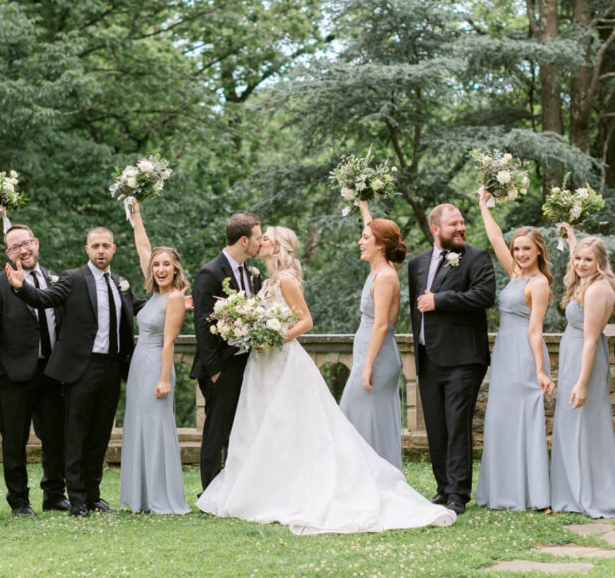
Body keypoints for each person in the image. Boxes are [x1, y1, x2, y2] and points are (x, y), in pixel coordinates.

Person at [197, 226, 456, 533]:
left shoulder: (286, 280)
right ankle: (263, 485)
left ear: (278, 247)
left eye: (266, 238)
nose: (260, 241)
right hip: (261, 364)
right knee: (261, 424)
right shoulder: (265, 281)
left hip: (283, 360)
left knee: (292, 426)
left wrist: (277, 336)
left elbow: (306, 320)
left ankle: (294, 490)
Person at [5, 226, 143, 518]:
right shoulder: (73, 278)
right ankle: (77, 499)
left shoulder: (121, 283)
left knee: (100, 435)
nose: (101, 251)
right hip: (82, 368)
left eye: (106, 245)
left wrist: (171, 301)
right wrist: (21, 287)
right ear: (87, 250)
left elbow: (138, 308)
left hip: (112, 366)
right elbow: (46, 300)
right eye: (96, 246)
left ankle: (94, 496)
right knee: (76, 435)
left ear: (114, 249)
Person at [0, 224, 68, 516]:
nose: (24, 250)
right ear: (8, 253)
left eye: (27, 243)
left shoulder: (56, 279)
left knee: (56, 437)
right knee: (14, 441)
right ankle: (19, 501)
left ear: (37, 242)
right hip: (14, 375)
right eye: (16, 247)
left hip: (52, 373)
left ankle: (55, 495)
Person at [408, 203, 496, 515]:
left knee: (457, 424)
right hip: (428, 358)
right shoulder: (417, 263)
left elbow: (485, 296)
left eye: (462, 223)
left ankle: (459, 493)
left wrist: (440, 300)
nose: (460, 228)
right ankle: (442, 489)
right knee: (435, 427)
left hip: (462, 357)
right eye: (453, 225)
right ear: (435, 229)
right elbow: (414, 309)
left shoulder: (477, 257)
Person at [475, 191, 555, 511]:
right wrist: (484, 203)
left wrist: (539, 371)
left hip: (524, 356)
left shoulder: (538, 283)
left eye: (527, 249)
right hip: (504, 355)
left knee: (525, 421)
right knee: (501, 420)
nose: (520, 253)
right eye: (517, 249)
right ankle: (502, 491)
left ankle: (532, 494)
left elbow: (535, 330)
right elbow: (495, 237)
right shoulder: (514, 273)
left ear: (538, 250)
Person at [549, 229, 615, 519]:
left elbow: (590, 338)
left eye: (588, 259)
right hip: (573, 354)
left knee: (585, 422)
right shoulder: (585, 279)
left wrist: (582, 384)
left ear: (601, 261)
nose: (581, 263)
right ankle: (572, 490)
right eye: (577, 259)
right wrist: (572, 237)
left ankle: (592, 492)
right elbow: (578, 254)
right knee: (572, 422)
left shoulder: (599, 288)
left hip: (584, 360)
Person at [118, 200, 190, 514]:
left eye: (166, 265)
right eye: (157, 265)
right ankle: (142, 496)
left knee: (156, 427)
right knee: (138, 425)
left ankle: (161, 495)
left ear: (176, 269)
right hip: (138, 366)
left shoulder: (174, 298)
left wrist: (164, 379)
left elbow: (169, 343)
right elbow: (143, 247)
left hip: (156, 367)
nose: (160, 269)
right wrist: (136, 215)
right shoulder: (155, 295)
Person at [191, 213, 263, 492]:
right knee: (216, 431)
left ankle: (233, 487)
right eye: (257, 237)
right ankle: (209, 490)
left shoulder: (252, 274)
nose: (260, 242)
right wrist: (215, 370)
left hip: (245, 364)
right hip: (220, 366)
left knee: (239, 430)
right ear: (244, 240)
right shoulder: (210, 273)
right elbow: (202, 323)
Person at [339, 200, 406, 470]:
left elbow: (380, 325)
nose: (360, 241)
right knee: (359, 418)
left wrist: (366, 366)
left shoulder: (386, 276)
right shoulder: (377, 269)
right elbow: (372, 228)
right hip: (367, 355)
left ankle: (378, 478)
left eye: (365, 238)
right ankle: (362, 480)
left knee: (358, 417)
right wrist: (363, 205)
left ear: (380, 244)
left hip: (377, 359)